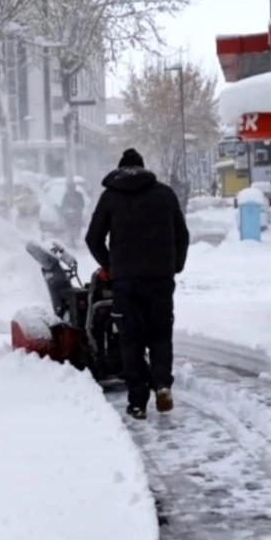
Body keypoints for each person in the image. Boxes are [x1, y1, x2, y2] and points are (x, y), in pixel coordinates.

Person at [85, 148, 190, 420]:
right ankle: (163, 384)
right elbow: (182, 235)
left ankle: (137, 401)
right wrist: (174, 265)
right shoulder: (165, 194)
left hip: (125, 282)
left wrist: (110, 266)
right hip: (160, 280)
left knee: (130, 339)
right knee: (160, 334)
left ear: (120, 170)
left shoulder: (111, 196)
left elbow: (92, 238)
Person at [59, 183, 85, 249]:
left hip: (77, 215)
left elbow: (82, 204)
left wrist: (78, 209)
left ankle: (75, 238)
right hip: (69, 215)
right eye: (69, 189)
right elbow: (63, 204)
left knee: (77, 227)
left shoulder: (79, 195)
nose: (70, 190)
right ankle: (72, 241)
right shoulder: (66, 195)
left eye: (72, 188)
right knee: (71, 228)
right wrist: (64, 210)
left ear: (74, 188)